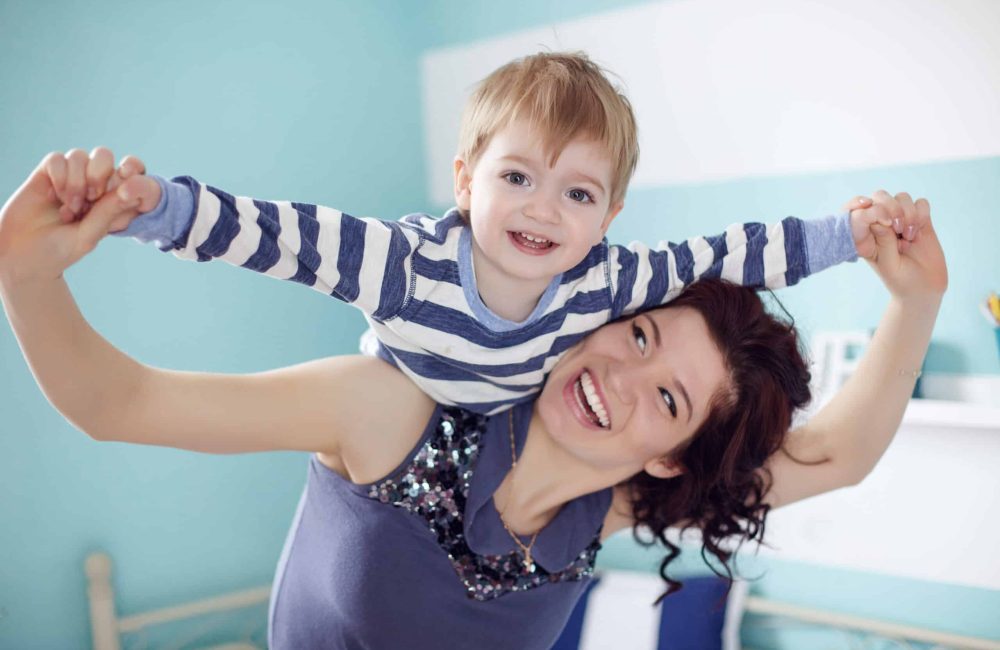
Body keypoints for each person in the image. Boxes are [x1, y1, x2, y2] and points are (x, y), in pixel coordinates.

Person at [0, 155, 946, 648]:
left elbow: (840, 456)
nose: (616, 377)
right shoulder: (388, 414)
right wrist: (27, 276)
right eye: (641, 335)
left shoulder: (605, 511)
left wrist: (917, 299)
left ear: (671, 458)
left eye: (665, 397)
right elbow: (120, 403)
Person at [41, 52, 899, 415]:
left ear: (608, 217)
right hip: (394, 435)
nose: (543, 210)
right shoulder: (405, 264)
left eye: (577, 193)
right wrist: (157, 208)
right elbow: (279, 235)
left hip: (499, 434)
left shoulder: (608, 278)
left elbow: (729, 255)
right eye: (516, 177)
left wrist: (845, 235)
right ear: (464, 181)